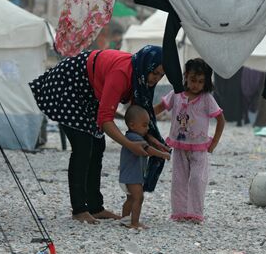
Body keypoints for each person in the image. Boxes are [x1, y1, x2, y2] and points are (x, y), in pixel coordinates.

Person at [29, 46, 169, 224]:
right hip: (69, 85)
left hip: (91, 92)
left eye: (160, 76)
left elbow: (138, 115)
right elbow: (105, 120)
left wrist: (151, 139)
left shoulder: (140, 77)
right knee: (83, 146)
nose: (155, 79)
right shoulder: (122, 74)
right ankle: (79, 209)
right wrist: (129, 144)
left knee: (97, 145)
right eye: (154, 73)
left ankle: (95, 207)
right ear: (146, 66)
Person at [154, 58, 225, 224]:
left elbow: (221, 120)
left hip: (199, 148)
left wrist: (214, 143)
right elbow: (160, 107)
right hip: (179, 147)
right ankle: (179, 212)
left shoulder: (207, 98)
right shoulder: (177, 94)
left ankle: (195, 213)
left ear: (206, 82)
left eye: (201, 82)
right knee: (179, 179)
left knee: (197, 179)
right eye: (193, 80)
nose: (196, 85)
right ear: (186, 76)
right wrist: (144, 116)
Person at [119, 105, 171, 229]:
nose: (147, 128)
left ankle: (125, 219)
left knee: (130, 199)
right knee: (139, 198)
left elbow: (149, 144)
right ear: (132, 125)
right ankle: (134, 222)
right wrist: (163, 154)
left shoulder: (130, 137)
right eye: (144, 125)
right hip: (132, 177)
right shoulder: (134, 138)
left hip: (126, 177)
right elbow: (148, 149)